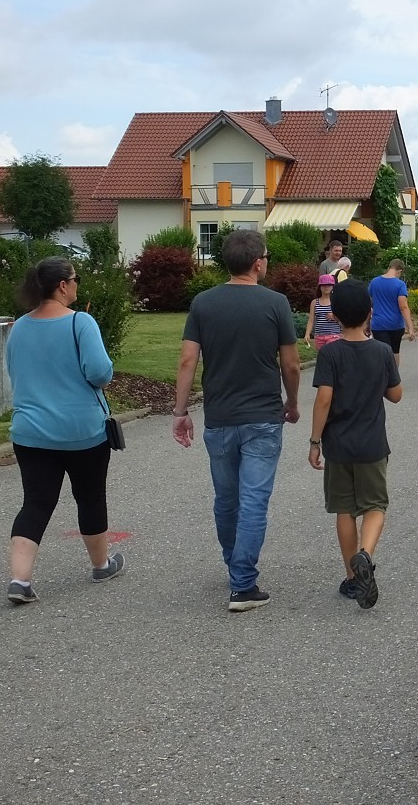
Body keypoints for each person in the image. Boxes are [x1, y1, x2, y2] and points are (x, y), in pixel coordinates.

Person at [171, 230, 300, 612]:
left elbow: (186, 361)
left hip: (220, 417)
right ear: (258, 261)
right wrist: (292, 402)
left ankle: (236, 567)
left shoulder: (203, 304)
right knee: (254, 500)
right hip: (262, 415)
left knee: (227, 499)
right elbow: (291, 364)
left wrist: (180, 413)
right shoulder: (275, 303)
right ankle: (242, 584)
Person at [3, 257, 126, 603]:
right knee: (89, 497)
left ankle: (20, 580)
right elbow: (101, 373)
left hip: (30, 432)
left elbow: (14, 372)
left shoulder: (20, 327)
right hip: (82, 432)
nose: (77, 285)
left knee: (36, 502)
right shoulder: (81, 323)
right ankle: (101, 564)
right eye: (76, 279)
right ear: (62, 286)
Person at [308, 279, 402, 609]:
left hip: (339, 446)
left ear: (333, 315)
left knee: (344, 509)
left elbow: (323, 400)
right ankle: (367, 555)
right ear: (370, 313)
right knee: (375, 506)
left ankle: (352, 578)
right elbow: (396, 395)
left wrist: (315, 441)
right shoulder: (381, 352)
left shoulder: (330, 354)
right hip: (373, 445)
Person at [368, 258, 417, 366]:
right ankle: (394, 378)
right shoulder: (400, 285)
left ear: (389, 267)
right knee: (395, 351)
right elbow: (403, 307)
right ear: (399, 271)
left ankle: (382, 376)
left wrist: (366, 323)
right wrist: (410, 328)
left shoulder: (374, 282)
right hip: (396, 325)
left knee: (382, 352)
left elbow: (369, 303)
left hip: (378, 324)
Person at [304, 273, 342, 350]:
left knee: (331, 355)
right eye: (324, 285)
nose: (326, 287)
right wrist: (307, 334)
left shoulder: (336, 301)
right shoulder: (315, 302)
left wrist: (334, 317)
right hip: (319, 336)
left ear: (332, 287)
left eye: (329, 285)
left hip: (334, 335)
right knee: (322, 357)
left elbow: (344, 318)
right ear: (320, 287)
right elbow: (311, 320)